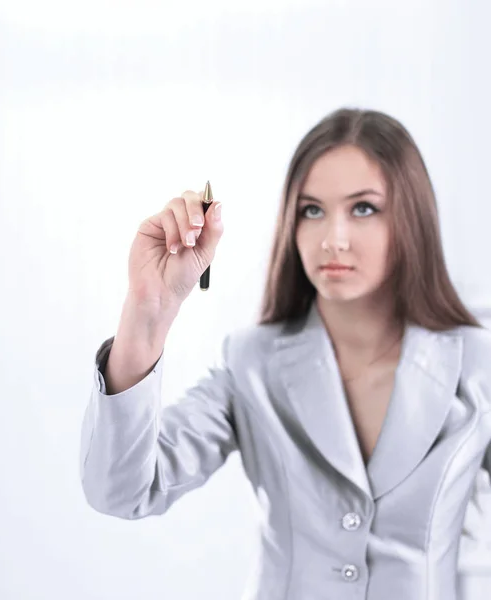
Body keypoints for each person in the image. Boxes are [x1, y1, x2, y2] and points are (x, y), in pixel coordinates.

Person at [79, 107, 491, 600]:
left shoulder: (476, 361)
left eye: (363, 208)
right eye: (311, 210)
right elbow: (120, 490)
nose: (332, 240)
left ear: (411, 218)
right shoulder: (251, 362)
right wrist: (149, 310)